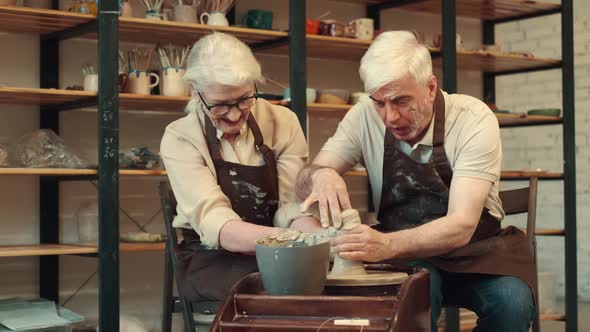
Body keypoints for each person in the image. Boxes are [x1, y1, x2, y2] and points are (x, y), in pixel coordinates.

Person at [296, 31, 536, 331]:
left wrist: (387, 244)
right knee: (413, 301)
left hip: (477, 253)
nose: (389, 117)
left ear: (431, 87)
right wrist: (321, 175)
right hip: (408, 258)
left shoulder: (473, 119)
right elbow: (305, 178)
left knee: (512, 303)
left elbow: (461, 226)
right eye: (379, 103)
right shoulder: (362, 118)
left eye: (401, 101)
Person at [161, 32, 321, 302]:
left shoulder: (282, 122)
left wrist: (317, 236)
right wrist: (289, 240)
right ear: (194, 91)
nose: (235, 115)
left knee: (322, 281)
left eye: (244, 99)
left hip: (280, 245)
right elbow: (218, 224)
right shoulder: (181, 138)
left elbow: (291, 207)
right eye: (220, 106)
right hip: (212, 257)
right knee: (268, 290)